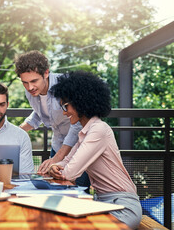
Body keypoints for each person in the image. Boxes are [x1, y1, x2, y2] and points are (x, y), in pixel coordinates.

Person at [48, 71, 142, 229]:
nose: (64, 112)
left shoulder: (98, 130)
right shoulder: (85, 132)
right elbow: (65, 162)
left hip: (122, 207)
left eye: (65, 106)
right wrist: (54, 166)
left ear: (80, 102)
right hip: (103, 203)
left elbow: (70, 172)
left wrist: (58, 168)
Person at [14, 50, 89, 187]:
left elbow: (78, 123)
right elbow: (40, 113)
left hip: (78, 148)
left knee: (79, 192)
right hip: (57, 145)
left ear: (46, 73)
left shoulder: (66, 85)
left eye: (34, 81)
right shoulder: (31, 90)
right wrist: (18, 131)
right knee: (56, 190)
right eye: (25, 82)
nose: (29, 87)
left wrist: (58, 157)